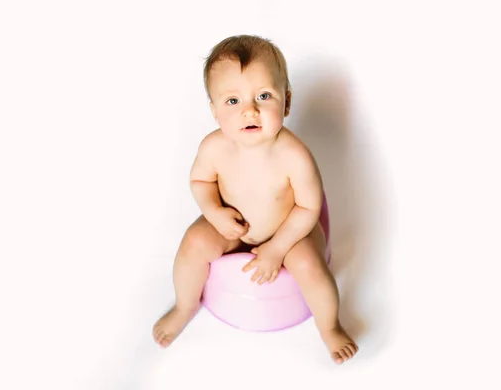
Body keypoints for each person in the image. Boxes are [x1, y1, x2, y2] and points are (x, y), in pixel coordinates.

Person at [152, 35, 358, 364]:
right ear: (215, 110)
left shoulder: (294, 155)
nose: (250, 110)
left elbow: (309, 207)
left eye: (264, 96)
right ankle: (184, 305)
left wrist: (277, 248)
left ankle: (330, 326)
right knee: (192, 243)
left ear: (286, 103)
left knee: (310, 266)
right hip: (233, 229)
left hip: (290, 233)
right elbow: (200, 180)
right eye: (232, 101)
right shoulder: (214, 147)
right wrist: (214, 211)